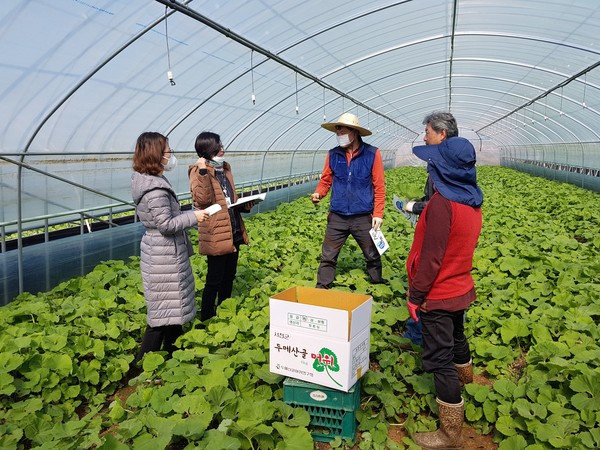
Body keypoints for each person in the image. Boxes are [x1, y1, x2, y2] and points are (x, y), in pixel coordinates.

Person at [406, 131, 483, 449]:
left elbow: (431, 259)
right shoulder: (472, 201)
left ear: (445, 170)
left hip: (438, 294)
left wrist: (416, 296)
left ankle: (450, 433)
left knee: (439, 358)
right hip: (460, 287)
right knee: (457, 337)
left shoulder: (442, 205)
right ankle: (469, 383)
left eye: (434, 165)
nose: (429, 169)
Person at [130, 131, 209, 370]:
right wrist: (195, 216)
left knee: (172, 311)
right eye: (168, 151)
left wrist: (190, 215)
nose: (171, 155)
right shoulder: (154, 190)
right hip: (163, 255)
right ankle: (140, 367)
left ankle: (175, 357)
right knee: (161, 316)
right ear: (156, 154)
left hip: (166, 253)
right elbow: (166, 225)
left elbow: (169, 218)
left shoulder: (149, 180)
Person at [401, 112, 459, 347]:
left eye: (427, 132)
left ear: (441, 134)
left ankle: (418, 337)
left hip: (441, 232)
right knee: (448, 281)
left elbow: (443, 202)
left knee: (431, 280)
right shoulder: (448, 161)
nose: (424, 138)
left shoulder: (446, 165)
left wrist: (416, 206)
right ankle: (450, 337)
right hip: (448, 229)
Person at [311, 112, 386, 289]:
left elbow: (379, 186)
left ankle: (378, 286)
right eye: (337, 133)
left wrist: (378, 213)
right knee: (328, 255)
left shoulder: (372, 154)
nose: (339, 136)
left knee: (372, 253)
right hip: (337, 216)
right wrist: (318, 194)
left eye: (342, 132)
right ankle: (322, 288)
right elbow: (326, 180)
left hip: (363, 216)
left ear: (354, 132)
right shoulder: (333, 154)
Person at [189, 131, 252, 321]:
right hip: (216, 232)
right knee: (214, 280)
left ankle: (224, 311)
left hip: (233, 229)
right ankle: (207, 317)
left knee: (229, 276)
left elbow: (229, 199)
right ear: (207, 150)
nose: (222, 150)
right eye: (218, 146)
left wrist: (244, 204)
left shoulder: (224, 169)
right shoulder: (197, 171)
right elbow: (202, 199)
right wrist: (202, 172)